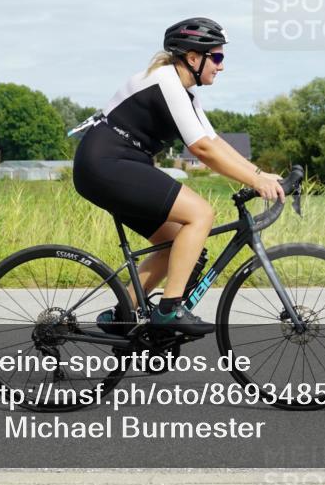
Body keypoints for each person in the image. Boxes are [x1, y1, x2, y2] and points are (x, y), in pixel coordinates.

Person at [72, 17, 285, 336]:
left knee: (175, 244)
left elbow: (215, 142)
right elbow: (202, 150)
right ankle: (169, 310)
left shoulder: (186, 93)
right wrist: (256, 182)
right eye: (217, 57)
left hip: (119, 164)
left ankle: (124, 315)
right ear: (193, 57)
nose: (221, 66)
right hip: (105, 163)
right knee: (200, 214)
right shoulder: (165, 81)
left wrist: (260, 174)